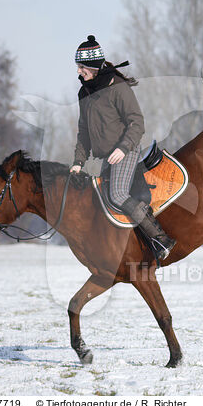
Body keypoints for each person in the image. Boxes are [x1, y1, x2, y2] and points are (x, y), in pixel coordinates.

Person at [69, 35, 175, 259]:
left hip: (125, 151)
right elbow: (84, 132)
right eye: (78, 67)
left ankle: (161, 239)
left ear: (94, 67)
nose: (79, 72)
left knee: (117, 194)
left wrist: (122, 148)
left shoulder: (117, 88)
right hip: (106, 157)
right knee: (99, 199)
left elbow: (137, 123)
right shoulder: (84, 94)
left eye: (82, 67)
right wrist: (78, 163)